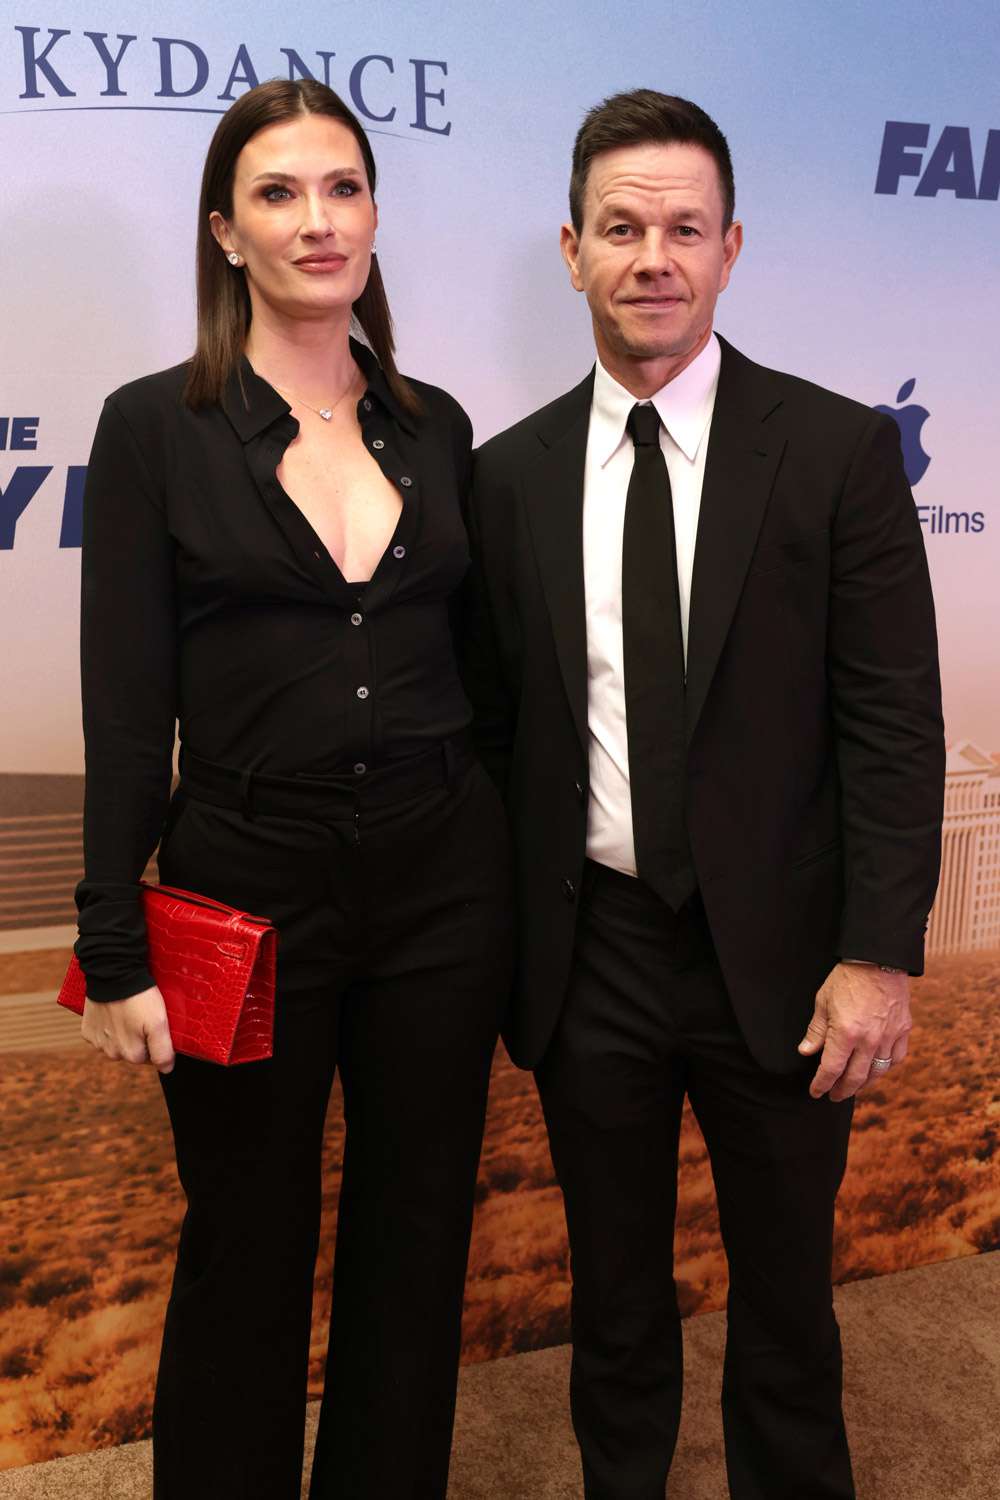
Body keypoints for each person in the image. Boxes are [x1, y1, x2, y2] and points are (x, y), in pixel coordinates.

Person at [463, 89, 944, 1499]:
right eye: (621, 228)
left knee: (788, 1313)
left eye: (683, 228)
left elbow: (892, 724)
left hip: (793, 966)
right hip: (592, 957)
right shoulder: (506, 479)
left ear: (731, 247)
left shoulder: (838, 450)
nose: (652, 257)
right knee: (614, 1315)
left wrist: (878, 955)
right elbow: (495, 738)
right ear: (571, 251)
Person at [74, 78, 511, 1500]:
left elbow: (490, 676)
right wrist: (109, 937)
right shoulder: (155, 429)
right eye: (278, 193)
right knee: (248, 1246)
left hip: (443, 882)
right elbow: (130, 705)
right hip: (245, 881)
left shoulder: (435, 426)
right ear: (225, 233)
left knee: (417, 1235)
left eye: (342, 188)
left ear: (375, 216)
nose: (316, 221)